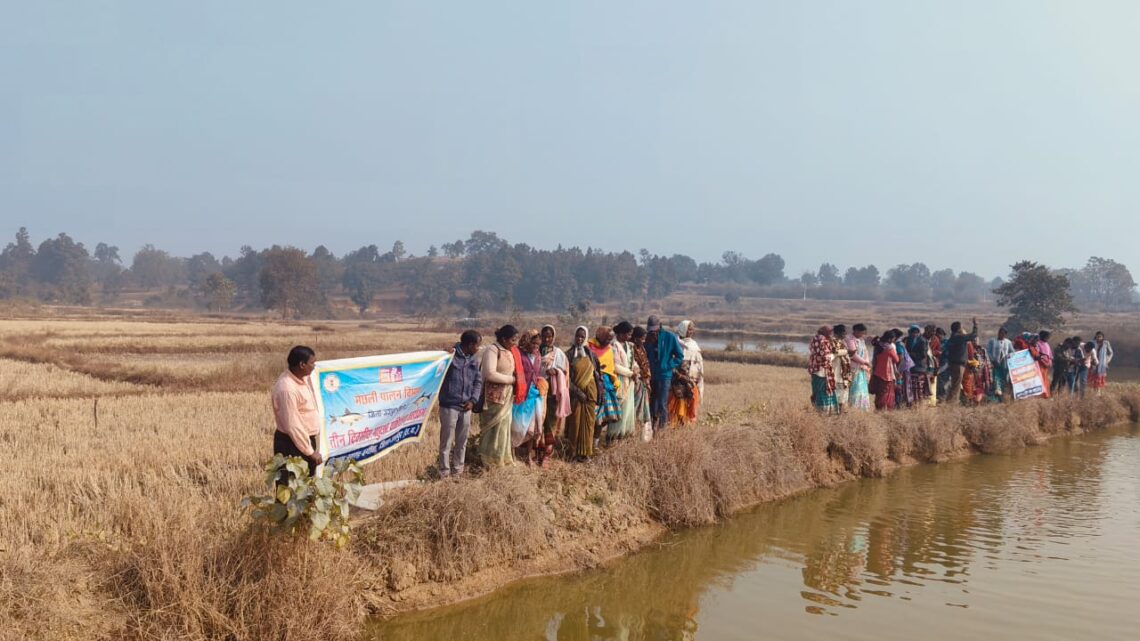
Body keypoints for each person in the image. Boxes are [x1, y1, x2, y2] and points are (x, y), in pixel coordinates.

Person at [271, 345, 323, 478]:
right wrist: (309, 452)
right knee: (291, 487)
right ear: (302, 365)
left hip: (304, 441)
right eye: (312, 363)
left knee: (305, 488)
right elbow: (293, 425)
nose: (314, 366)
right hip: (292, 444)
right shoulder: (287, 389)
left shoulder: (303, 378)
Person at [437, 330, 482, 478]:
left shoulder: (474, 360)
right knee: (446, 441)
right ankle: (444, 472)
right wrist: (443, 354)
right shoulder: (449, 357)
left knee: (462, 442)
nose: (478, 348)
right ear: (470, 345)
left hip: (466, 407)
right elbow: (436, 369)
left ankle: (458, 471)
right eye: (477, 345)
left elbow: (478, 381)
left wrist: (473, 400)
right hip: (449, 406)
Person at [477, 325, 518, 468]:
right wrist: (511, 380)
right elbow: (490, 373)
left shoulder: (509, 351)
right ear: (504, 339)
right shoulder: (492, 350)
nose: (515, 342)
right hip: (493, 398)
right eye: (513, 339)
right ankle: (489, 461)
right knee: (493, 429)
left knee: (504, 428)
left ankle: (501, 459)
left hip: (506, 396)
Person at [511, 329, 548, 464]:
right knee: (516, 427)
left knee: (532, 429)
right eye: (533, 344)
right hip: (520, 395)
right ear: (527, 342)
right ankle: (512, 454)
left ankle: (528, 456)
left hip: (533, 395)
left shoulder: (537, 356)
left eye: (538, 345)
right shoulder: (517, 354)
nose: (536, 347)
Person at [645, 315, 685, 432]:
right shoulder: (647, 339)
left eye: (654, 330)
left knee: (662, 403)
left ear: (659, 327)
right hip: (652, 375)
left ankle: (662, 429)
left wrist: (667, 366)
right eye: (650, 330)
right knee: (653, 402)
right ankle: (652, 427)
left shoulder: (669, 337)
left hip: (665, 376)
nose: (652, 332)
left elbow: (679, 356)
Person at [566, 326, 601, 459]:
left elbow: (597, 374)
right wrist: (577, 392)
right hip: (576, 396)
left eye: (582, 336)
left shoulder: (591, 355)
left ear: (585, 337)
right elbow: (566, 378)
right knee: (574, 423)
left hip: (590, 395)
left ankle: (585, 453)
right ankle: (572, 453)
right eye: (577, 336)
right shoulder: (568, 355)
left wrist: (598, 393)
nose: (579, 339)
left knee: (589, 423)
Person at [539, 325, 570, 463]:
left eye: (549, 336)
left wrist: (556, 371)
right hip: (537, 391)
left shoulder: (559, 354)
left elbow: (564, 372)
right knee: (538, 420)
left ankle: (547, 453)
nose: (547, 339)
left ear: (553, 337)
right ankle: (537, 451)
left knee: (550, 421)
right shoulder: (535, 351)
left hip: (552, 392)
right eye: (544, 336)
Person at [608, 322, 639, 440]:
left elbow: (633, 361)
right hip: (619, 380)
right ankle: (613, 436)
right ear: (621, 333)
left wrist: (636, 370)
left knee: (628, 408)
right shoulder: (614, 346)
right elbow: (615, 366)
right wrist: (631, 373)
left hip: (629, 380)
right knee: (619, 408)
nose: (629, 337)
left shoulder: (629, 345)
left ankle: (624, 434)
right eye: (628, 334)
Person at [943, 318, 978, 404]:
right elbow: (974, 335)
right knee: (956, 385)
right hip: (958, 365)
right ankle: (953, 402)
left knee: (955, 383)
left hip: (953, 363)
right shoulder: (959, 337)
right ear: (959, 329)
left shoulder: (952, 337)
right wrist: (975, 325)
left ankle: (949, 401)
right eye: (961, 327)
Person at [631, 326, 654, 441]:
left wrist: (648, 379)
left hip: (645, 382)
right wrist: (642, 379)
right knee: (634, 408)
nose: (644, 341)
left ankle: (641, 435)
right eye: (642, 339)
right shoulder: (632, 349)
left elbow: (646, 364)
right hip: (636, 383)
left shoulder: (642, 348)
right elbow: (635, 367)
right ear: (635, 338)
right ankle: (631, 432)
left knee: (643, 410)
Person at [808, 326, 838, 414]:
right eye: (830, 332)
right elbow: (825, 356)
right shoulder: (822, 340)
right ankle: (822, 411)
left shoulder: (815, 338)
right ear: (826, 332)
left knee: (817, 390)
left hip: (815, 368)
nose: (831, 334)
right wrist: (834, 355)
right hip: (822, 370)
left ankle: (817, 409)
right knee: (823, 391)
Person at [846, 323, 872, 411]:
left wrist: (867, 362)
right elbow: (853, 355)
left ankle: (862, 408)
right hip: (853, 368)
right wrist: (864, 362)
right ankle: (853, 408)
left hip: (861, 368)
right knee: (855, 388)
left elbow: (865, 352)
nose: (862, 335)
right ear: (856, 331)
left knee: (862, 389)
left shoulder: (861, 340)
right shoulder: (850, 340)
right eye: (861, 332)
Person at [871, 332, 900, 410]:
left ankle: (878, 407)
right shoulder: (889, 348)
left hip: (877, 371)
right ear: (890, 339)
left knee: (879, 392)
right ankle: (884, 407)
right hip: (886, 373)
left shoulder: (877, 345)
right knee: (885, 391)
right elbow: (897, 359)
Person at [904, 325, 932, 407]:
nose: (914, 334)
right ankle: (912, 404)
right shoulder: (908, 340)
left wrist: (910, 354)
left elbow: (923, 355)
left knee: (919, 387)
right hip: (911, 367)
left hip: (920, 367)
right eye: (912, 332)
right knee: (911, 387)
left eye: (916, 332)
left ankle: (919, 404)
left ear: (919, 332)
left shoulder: (923, 341)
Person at [986, 327, 1015, 401]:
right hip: (995, 364)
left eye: (1002, 333)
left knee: (1004, 380)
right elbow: (988, 352)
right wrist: (992, 360)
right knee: (996, 379)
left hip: (1005, 364)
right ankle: (995, 398)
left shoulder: (1008, 342)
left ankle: (1003, 397)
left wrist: (1008, 356)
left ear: (1005, 334)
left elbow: (1012, 352)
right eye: (999, 332)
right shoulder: (992, 341)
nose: (1000, 334)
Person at [831, 325, 853, 409]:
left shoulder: (842, 342)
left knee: (843, 393)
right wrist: (846, 351)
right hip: (836, 369)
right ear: (838, 333)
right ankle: (837, 410)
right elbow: (834, 352)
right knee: (837, 392)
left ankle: (842, 410)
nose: (845, 335)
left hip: (844, 371)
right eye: (844, 333)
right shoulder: (832, 341)